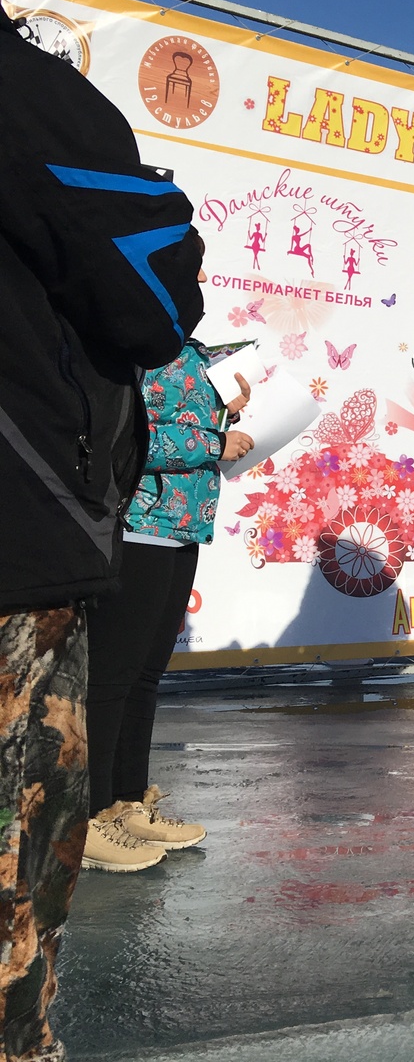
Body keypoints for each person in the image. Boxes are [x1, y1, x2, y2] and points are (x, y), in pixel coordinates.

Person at [1, 0, 206, 1060]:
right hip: (19, 546)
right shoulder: (36, 100)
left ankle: (131, 801)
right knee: (15, 869)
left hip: (101, 525)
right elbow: (154, 289)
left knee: (141, 676)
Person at [83, 262, 254, 873]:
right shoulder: (138, 347)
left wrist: (223, 416)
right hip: (140, 527)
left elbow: (176, 424)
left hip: (182, 528)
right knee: (111, 677)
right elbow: (127, 438)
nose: (200, 283)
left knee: (147, 674)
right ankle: (89, 814)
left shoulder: (186, 350)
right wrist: (213, 442)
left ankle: (128, 801)